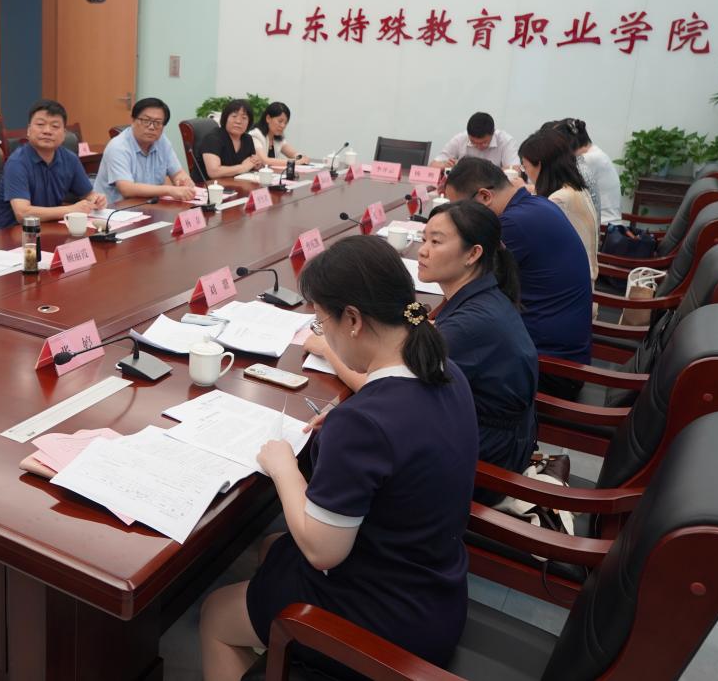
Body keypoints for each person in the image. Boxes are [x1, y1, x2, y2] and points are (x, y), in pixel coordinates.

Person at [200, 236, 476, 680]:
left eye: (320, 321)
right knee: (272, 548)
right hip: (434, 586)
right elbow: (398, 423)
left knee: (215, 613)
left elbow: (321, 551)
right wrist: (350, 419)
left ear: (352, 319)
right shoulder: (444, 368)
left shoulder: (365, 424)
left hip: (387, 623)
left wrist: (284, 466)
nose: (320, 333)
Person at [444, 157, 592, 399]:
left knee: (432, 371)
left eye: (459, 210)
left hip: (549, 367)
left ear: (484, 197)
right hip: (558, 351)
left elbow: (467, 281)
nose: (456, 219)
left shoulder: (513, 224)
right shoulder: (536, 204)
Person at [419, 202, 538, 500]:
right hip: (495, 436)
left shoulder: (471, 324)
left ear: (473, 254)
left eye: (435, 242)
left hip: (487, 462)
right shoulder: (483, 294)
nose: (422, 251)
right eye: (423, 239)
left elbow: (390, 384)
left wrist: (327, 349)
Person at [0, 99, 106, 229]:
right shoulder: (17, 163)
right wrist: (71, 209)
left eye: (55, 126)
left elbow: (88, 194)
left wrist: (96, 199)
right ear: (29, 130)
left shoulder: (70, 159)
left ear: (64, 134)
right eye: (40, 124)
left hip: (51, 228)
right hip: (15, 234)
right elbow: (22, 213)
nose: (47, 131)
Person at [519, 128, 599, 283]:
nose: (525, 172)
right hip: (580, 278)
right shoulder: (574, 188)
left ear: (539, 165)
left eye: (525, 166)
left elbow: (535, 244)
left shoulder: (559, 199)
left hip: (568, 283)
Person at [91, 97, 196, 203]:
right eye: (146, 121)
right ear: (133, 120)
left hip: (148, 206)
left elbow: (177, 173)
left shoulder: (161, 141)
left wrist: (183, 181)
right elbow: (127, 189)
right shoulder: (118, 147)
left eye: (157, 123)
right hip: (114, 210)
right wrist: (170, 190)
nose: (151, 127)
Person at [548, 118, 622, 226]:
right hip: (606, 221)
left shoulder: (588, 159)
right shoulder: (595, 153)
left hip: (603, 225)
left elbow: (557, 187)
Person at [198, 99, 265, 179]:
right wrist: (243, 167)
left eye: (244, 118)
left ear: (249, 122)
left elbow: (250, 163)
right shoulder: (213, 138)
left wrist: (256, 164)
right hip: (209, 185)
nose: (238, 121)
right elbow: (214, 172)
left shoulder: (247, 139)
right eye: (234, 116)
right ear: (225, 118)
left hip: (236, 183)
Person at [431, 111, 518, 169]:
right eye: (473, 142)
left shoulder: (506, 141)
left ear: (493, 132)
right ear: (468, 134)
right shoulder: (460, 139)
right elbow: (432, 165)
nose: (479, 146)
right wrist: (444, 165)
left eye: (484, 143)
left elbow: (515, 169)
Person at [248, 102, 309, 167]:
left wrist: (301, 157)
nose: (283, 126)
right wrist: (295, 162)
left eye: (285, 123)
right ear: (268, 118)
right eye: (280, 121)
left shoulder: (277, 137)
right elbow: (265, 161)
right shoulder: (256, 135)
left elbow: (293, 153)